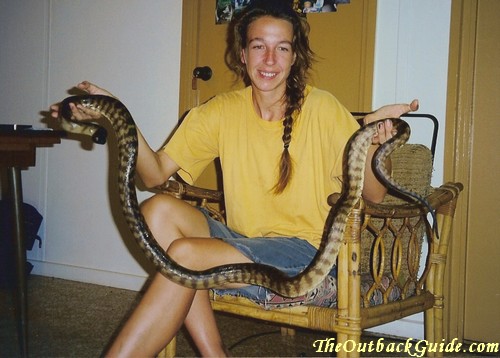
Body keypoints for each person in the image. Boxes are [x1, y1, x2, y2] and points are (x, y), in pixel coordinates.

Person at [51, 1, 419, 356]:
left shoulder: (322, 108)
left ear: (294, 57)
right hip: (245, 243)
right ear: (243, 54)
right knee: (157, 212)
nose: (270, 60)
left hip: (307, 258)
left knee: (185, 255)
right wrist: (118, 116)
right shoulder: (221, 110)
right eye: (259, 46)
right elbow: (153, 175)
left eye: (282, 48)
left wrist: (371, 139)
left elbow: (371, 195)